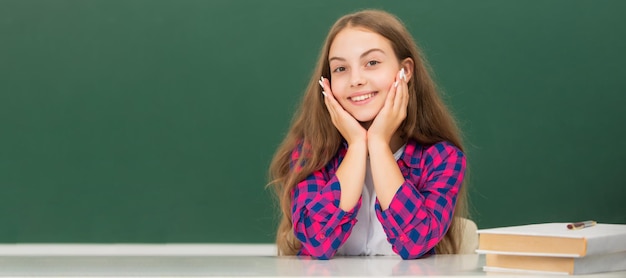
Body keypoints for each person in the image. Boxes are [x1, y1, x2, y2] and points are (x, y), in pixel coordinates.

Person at [268, 9, 468, 260]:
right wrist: (356, 146)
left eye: (372, 63)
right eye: (340, 68)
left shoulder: (442, 158)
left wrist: (378, 143)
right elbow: (317, 241)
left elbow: (416, 244)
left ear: (405, 71)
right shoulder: (310, 153)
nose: (356, 80)